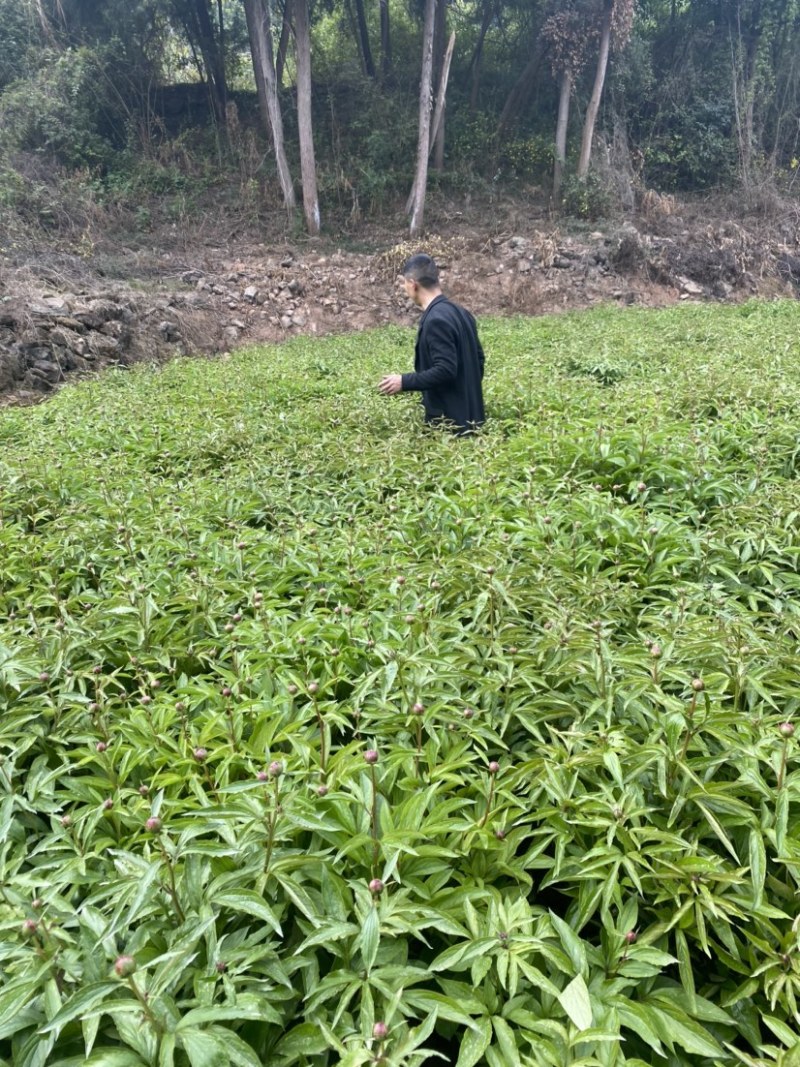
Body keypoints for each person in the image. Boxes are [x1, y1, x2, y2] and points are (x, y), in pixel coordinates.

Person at [378, 254, 485, 434]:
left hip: (452, 430)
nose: (405, 288)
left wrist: (403, 381)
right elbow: (479, 360)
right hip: (475, 419)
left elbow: (445, 369)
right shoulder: (462, 313)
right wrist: (464, 392)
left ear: (413, 284)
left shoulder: (436, 319)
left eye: (404, 283)